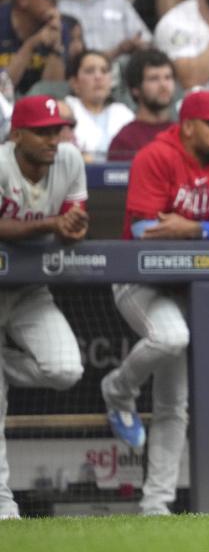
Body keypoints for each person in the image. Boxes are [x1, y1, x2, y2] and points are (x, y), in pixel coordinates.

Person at [101, 90, 209, 516]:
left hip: (189, 288)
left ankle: (156, 504)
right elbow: (143, 231)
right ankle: (117, 389)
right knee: (171, 337)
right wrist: (199, 229)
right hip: (141, 281)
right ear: (188, 125)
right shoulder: (156, 155)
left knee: (175, 403)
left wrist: (195, 230)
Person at [0, 95, 87, 520]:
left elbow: (74, 215)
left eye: (58, 129)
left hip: (29, 290)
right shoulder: (0, 163)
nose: (55, 138)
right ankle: (2, 506)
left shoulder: (70, 159)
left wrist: (71, 226)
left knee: (66, 369)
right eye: (44, 131)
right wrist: (53, 224)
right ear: (17, 134)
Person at [0, 0, 83, 95]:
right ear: (23, 0)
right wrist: (31, 45)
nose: (54, 1)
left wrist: (56, 47)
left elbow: (52, 94)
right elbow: (1, 91)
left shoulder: (59, 27)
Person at [63, 50, 135, 161]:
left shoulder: (123, 113)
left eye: (104, 71)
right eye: (90, 71)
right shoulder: (66, 110)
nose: (98, 76)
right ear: (75, 83)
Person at [108, 49, 178, 161]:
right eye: (154, 79)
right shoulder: (125, 140)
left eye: (168, 77)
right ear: (136, 89)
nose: (164, 85)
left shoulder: (184, 135)